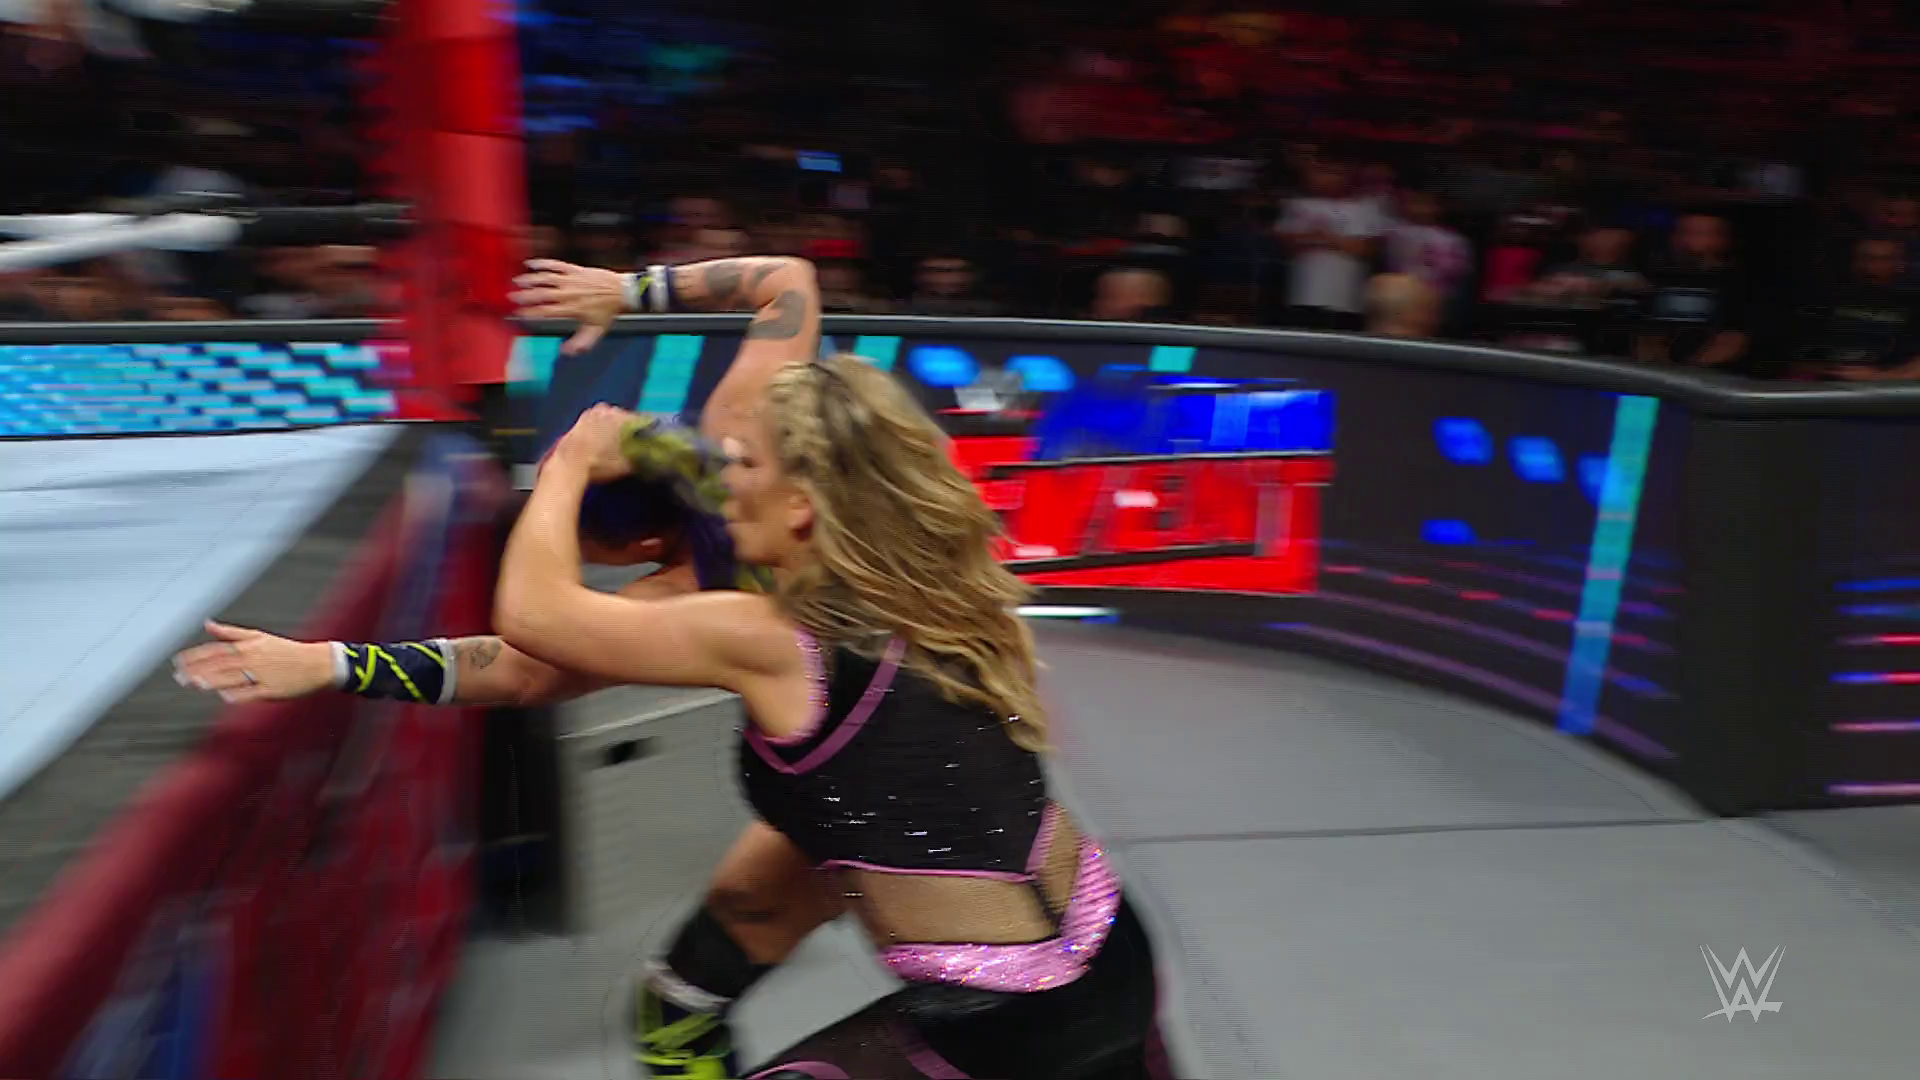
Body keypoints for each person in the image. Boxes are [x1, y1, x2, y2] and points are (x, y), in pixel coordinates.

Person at [176, 254, 1166, 1080]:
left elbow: (527, 630)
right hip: (1101, 933)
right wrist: (626, 292)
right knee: (694, 979)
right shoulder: (799, 468)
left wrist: (565, 465)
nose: (729, 474)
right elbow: (787, 280)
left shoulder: (758, 623)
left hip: (1005, 1016)